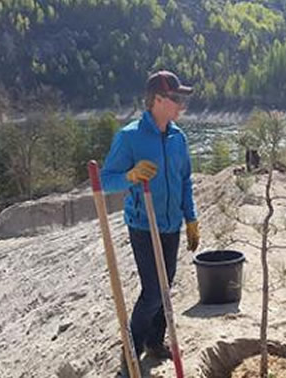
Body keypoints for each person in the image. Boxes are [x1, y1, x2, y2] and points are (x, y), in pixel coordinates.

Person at [101, 70, 200, 374]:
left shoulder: (177, 138)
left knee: (166, 286)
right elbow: (106, 180)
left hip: (171, 225)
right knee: (153, 291)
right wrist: (130, 176)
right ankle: (132, 347)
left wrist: (191, 218)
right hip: (144, 225)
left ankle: (154, 343)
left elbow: (184, 180)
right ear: (157, 99)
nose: (181, 105)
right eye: (176, 99)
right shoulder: (129, 137)